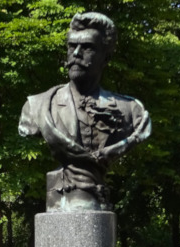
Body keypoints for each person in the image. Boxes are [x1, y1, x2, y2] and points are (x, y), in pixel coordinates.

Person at [19, 12, 151, 211]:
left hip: (97, 203)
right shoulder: (38, 106)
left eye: (87, 47)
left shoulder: (130, 111)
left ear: (105, 58)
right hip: (62, 194)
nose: (76, 53)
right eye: (72, 46)